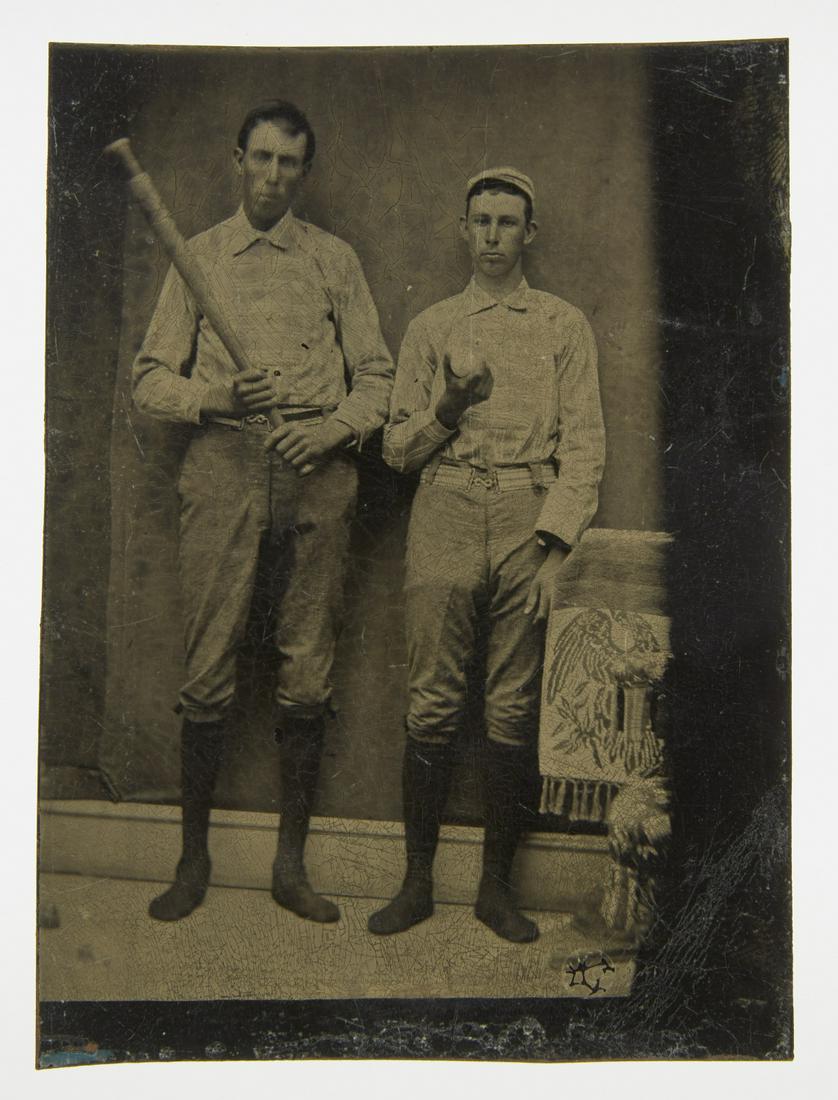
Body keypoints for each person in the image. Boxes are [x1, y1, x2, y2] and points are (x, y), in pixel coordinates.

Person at [132, 100, 394, 923]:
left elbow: (379, 379)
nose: (274, 176)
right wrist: (216, 398)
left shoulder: (334, 261)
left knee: (306, 670)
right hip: (224, 472)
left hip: (316, 480)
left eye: (290, 164)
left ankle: (290, 868)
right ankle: (191, 863)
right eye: (262, 159)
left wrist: (327, 434)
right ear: (236, 159)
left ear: (304, 173)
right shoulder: (199, 258)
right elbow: (147, 380)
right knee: (207, 669)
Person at [370, 167, 605, 943]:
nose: (495, 235)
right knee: (432, 698)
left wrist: (553, 550)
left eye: (509, 222)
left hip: (526, 512)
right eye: (483, 221)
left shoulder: (561, 324)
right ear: (463, 229)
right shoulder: (434, 326)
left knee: (510, 704)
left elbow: (587, 448)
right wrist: (448, 407)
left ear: (529, 233)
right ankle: (414, 886)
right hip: (443, 501)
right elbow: (398, 449)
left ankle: (496, 890)